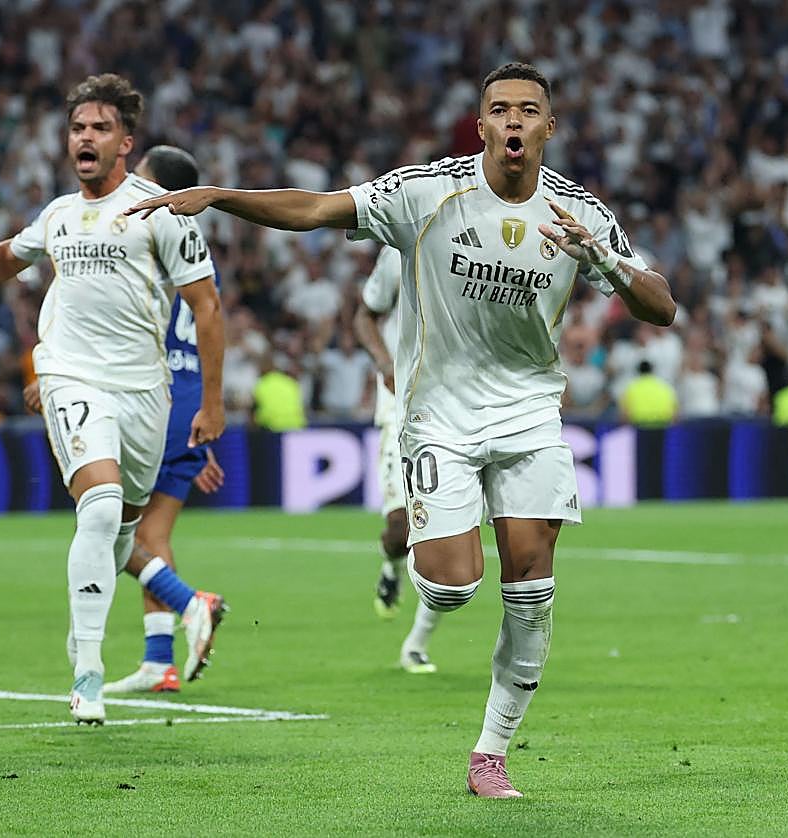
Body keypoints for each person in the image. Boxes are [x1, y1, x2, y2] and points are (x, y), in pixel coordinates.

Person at [125, 62, 676, 796]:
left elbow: (661, 305)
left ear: (549, 127)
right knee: (451, 589)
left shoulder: (579, 213)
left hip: (530, 413)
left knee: (533, 591)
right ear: (481, 125)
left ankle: (490, 753)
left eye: (529, 111)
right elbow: (316, 208)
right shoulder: (425, 191)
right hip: (439, 416)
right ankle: (427, 544)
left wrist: (602, 258)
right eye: (500, 110)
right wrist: (223, 197)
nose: (514, 121)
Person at [0, 74, 227, 725]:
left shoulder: (160, 210)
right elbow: (8, 258)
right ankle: (88, 671)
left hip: (145, 392)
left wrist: (212, 403)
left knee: (123, 533)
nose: (84, 139)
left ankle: (133, 614)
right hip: (71, 376)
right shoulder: (59, 215)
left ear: (126, 141)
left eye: (98, 128)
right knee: (98, 509)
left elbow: (206, 307)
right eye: (77, 129)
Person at [99, 144, 229, 694]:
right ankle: (159, 661)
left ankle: (189, 603)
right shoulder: (194, 247)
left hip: (150, 399)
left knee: (107, 529)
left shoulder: (142, 233)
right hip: (189, 402)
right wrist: (208, 413)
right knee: (152, 533)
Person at [353, 247, 441, 674]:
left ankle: (416, 644)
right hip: (401, 404)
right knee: (399, 529)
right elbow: (364, 315)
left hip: (457, 405)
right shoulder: (398, 249)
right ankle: (390, 567)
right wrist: (384, 362)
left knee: (445, 536)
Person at [619, 360, 678, 427]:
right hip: (661, 426)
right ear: (652, 371)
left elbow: (624, 413)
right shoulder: (664, 386)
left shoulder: (631, 388)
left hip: (639, 426)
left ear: (638, 371)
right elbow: (675, 410)